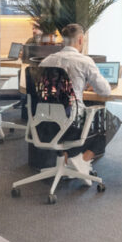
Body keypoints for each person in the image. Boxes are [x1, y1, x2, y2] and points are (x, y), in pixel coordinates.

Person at [40, 23, 114, 176]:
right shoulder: (84, 61)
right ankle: (83, 159)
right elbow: (105, 90)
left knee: (75, 117)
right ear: (80, 40)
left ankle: (66, 158)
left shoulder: (46, 61)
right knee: (109, 121)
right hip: (72, 124)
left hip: (44, 123)